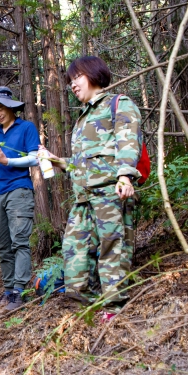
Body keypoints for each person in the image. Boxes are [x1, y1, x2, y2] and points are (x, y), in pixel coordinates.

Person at [42, 56, 142, 322]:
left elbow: (128, 142)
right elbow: (83, 163)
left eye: (77, 77)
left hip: (111, 192)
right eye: (70, 81)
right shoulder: (82, 120)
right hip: (84, 198)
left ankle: (114, 308)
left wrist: (125, 177)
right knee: (74, 256)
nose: (73, 85)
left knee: (113, 249)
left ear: (94, 74)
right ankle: (94, 302)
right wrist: (56, 160)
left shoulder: (118, 104)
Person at [0, 86, 41, 310]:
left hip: (19, 189)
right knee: (3, 244)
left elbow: (35, 159)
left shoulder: (26, 128)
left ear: (11, 107)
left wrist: (7, 161)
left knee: (19, 240)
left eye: (1, 109)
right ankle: (8, 288)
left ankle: (20, 289)